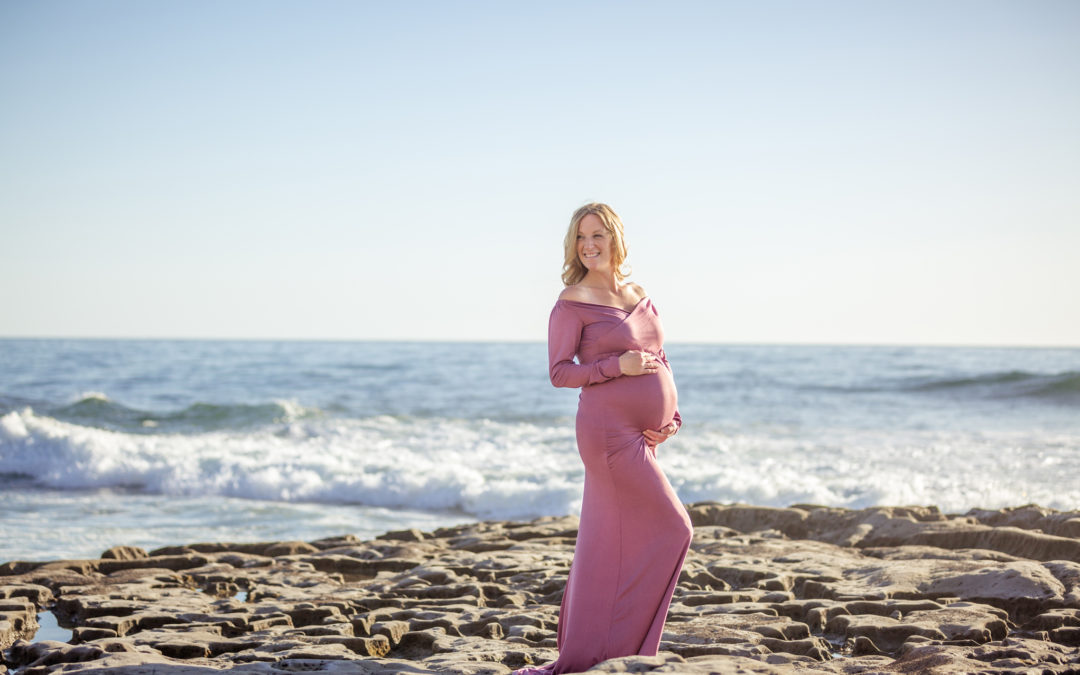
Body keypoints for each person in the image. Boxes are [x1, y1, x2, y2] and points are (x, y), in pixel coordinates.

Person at [514, 203, 693, 674]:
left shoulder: (639, 292)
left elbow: (660, 356)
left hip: (642, 434)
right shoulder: (572, 300)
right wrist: (617, 366)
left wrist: (673, 417)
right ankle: (611, 649)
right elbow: (559, 373)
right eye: (580, 237)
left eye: (597, 235)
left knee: (608, 544)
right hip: (607, 435)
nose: (588, 245)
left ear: (615, 238)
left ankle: (609, 650)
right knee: (674, 528)